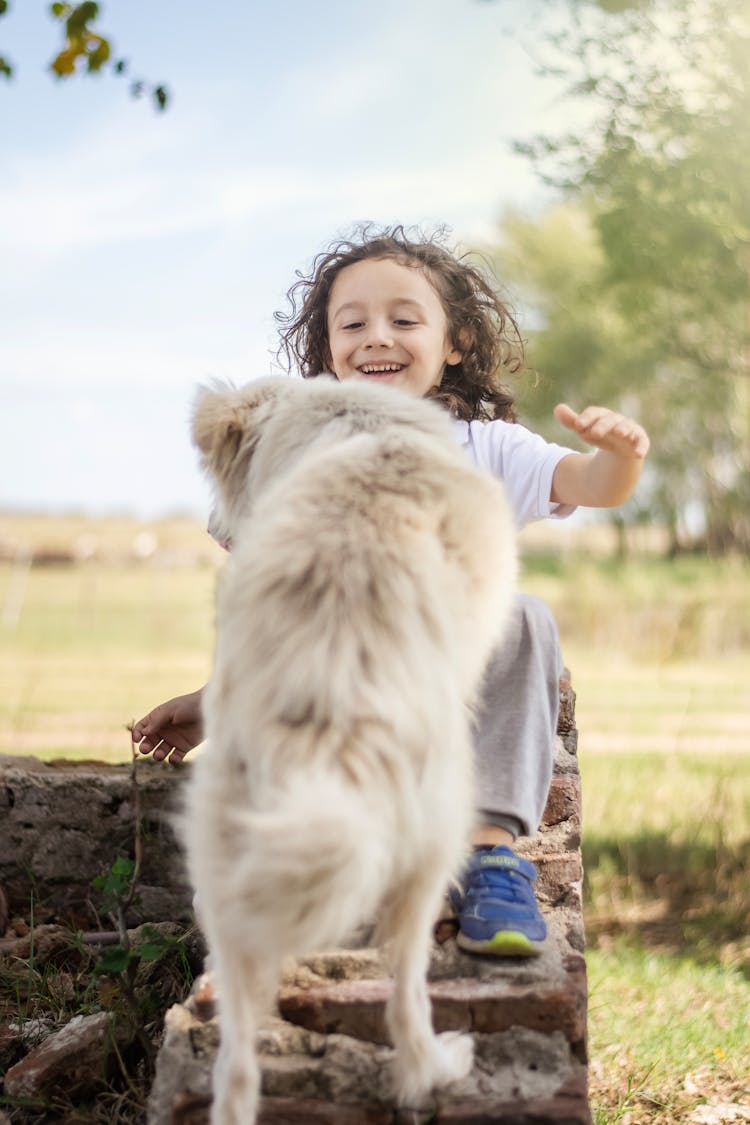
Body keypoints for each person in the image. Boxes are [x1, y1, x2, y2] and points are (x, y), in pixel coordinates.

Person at [132, 225, 649, 957]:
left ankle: (490, 855)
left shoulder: (488, 445)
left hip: (447, 674)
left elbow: (591, 485)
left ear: (455, 343)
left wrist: (620, 457)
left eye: (405, 320)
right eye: (354, 323)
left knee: (525, 617)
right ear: (327, 352)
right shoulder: (294, 448)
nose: (378, 336)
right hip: (339, 703)